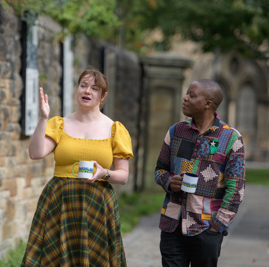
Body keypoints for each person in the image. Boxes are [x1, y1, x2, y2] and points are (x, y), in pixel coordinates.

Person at [22, 69, 133, 267]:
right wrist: (42, 118)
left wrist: (104, 173)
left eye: (94, 88)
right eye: (83, 85)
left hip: (97, 203)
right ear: (77, 89)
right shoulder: (59, 124)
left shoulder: (115, 129)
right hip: (60, 200)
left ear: (102, 96)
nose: (87, 91)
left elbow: (123, 176)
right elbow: (36, 153)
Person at [155, 79, 245, 267]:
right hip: (173, 225)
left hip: (207, 228)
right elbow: (159, 170)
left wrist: (217, 226)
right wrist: (169, 181)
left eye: (192, 95)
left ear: (208, 104)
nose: (185, 98)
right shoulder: (175, 131)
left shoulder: (231, 138)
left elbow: (236, 189)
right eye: (187, 93)